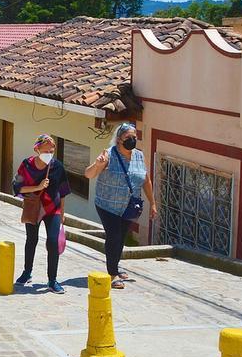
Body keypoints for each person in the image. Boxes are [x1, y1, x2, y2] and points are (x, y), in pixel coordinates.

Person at [85, 122, 158, 289]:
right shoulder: (108, 155)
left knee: (121, 237)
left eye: (134, 137)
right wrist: (97, 164)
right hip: (107, 204)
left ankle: (115, 266)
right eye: (127, 137)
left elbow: (146, 181)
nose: (132, 140)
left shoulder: (139, 156)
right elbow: (88, 174)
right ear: (119, 139)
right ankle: (112, 273)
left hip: (128, 206)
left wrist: (152, 203)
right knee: (114, 236)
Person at [13, 134, 71, 294]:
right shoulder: (26, 165)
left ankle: (52, 280)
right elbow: (17, 188)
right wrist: (37, 187)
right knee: (31, 239)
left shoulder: (57, 167)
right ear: (37, 149)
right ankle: (27, 272)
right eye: (46, 151)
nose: (49, 154)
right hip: (34, 208)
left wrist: (63, 213)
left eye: (52, 151)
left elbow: (63, 191)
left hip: (53, 209)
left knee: (53, 242)